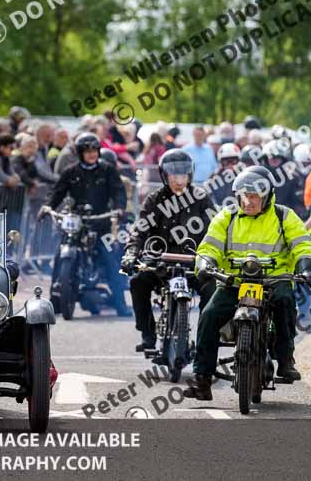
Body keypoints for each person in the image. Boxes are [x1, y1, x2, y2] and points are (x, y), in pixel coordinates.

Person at [185, 166, 310, 400]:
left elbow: (302, 244)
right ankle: (202, 379)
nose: (248, 201)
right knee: (209, 315)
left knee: (285, 301)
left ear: (267, 196)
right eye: (244, 196)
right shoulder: (227, 216)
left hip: (274, 280)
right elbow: (210, 245)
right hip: (234, 281)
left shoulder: (285, 216)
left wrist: (305, 265)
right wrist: (205, 263)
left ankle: (285, 359)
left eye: (254, 196)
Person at [121, 149, 217, 352]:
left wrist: (215, 256)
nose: (179, 180)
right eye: (174, 174)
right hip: (161, 263)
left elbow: (216, 231)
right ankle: (148, 334)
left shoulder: (201, 198)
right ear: (165, 175)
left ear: (189, 174)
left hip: (193, 263)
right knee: (138, 282)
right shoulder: (154, 199)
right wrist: (131, 253)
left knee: (213, 290)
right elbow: (140, 230)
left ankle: (204, 339)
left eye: (183, 174)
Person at [47, 132, 131, 316]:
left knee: (111, 260)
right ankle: (54, 303)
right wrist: (47, 206)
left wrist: (119, 208)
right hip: (77, 222)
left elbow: (118, 192)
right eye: (87, 151)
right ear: (80, 153)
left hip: (100, 222)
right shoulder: (71, 172)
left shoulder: (108, 170)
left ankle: (120, 304)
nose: (92, 154)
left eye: (94, 150)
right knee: (59, 255)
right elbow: (57, 192)